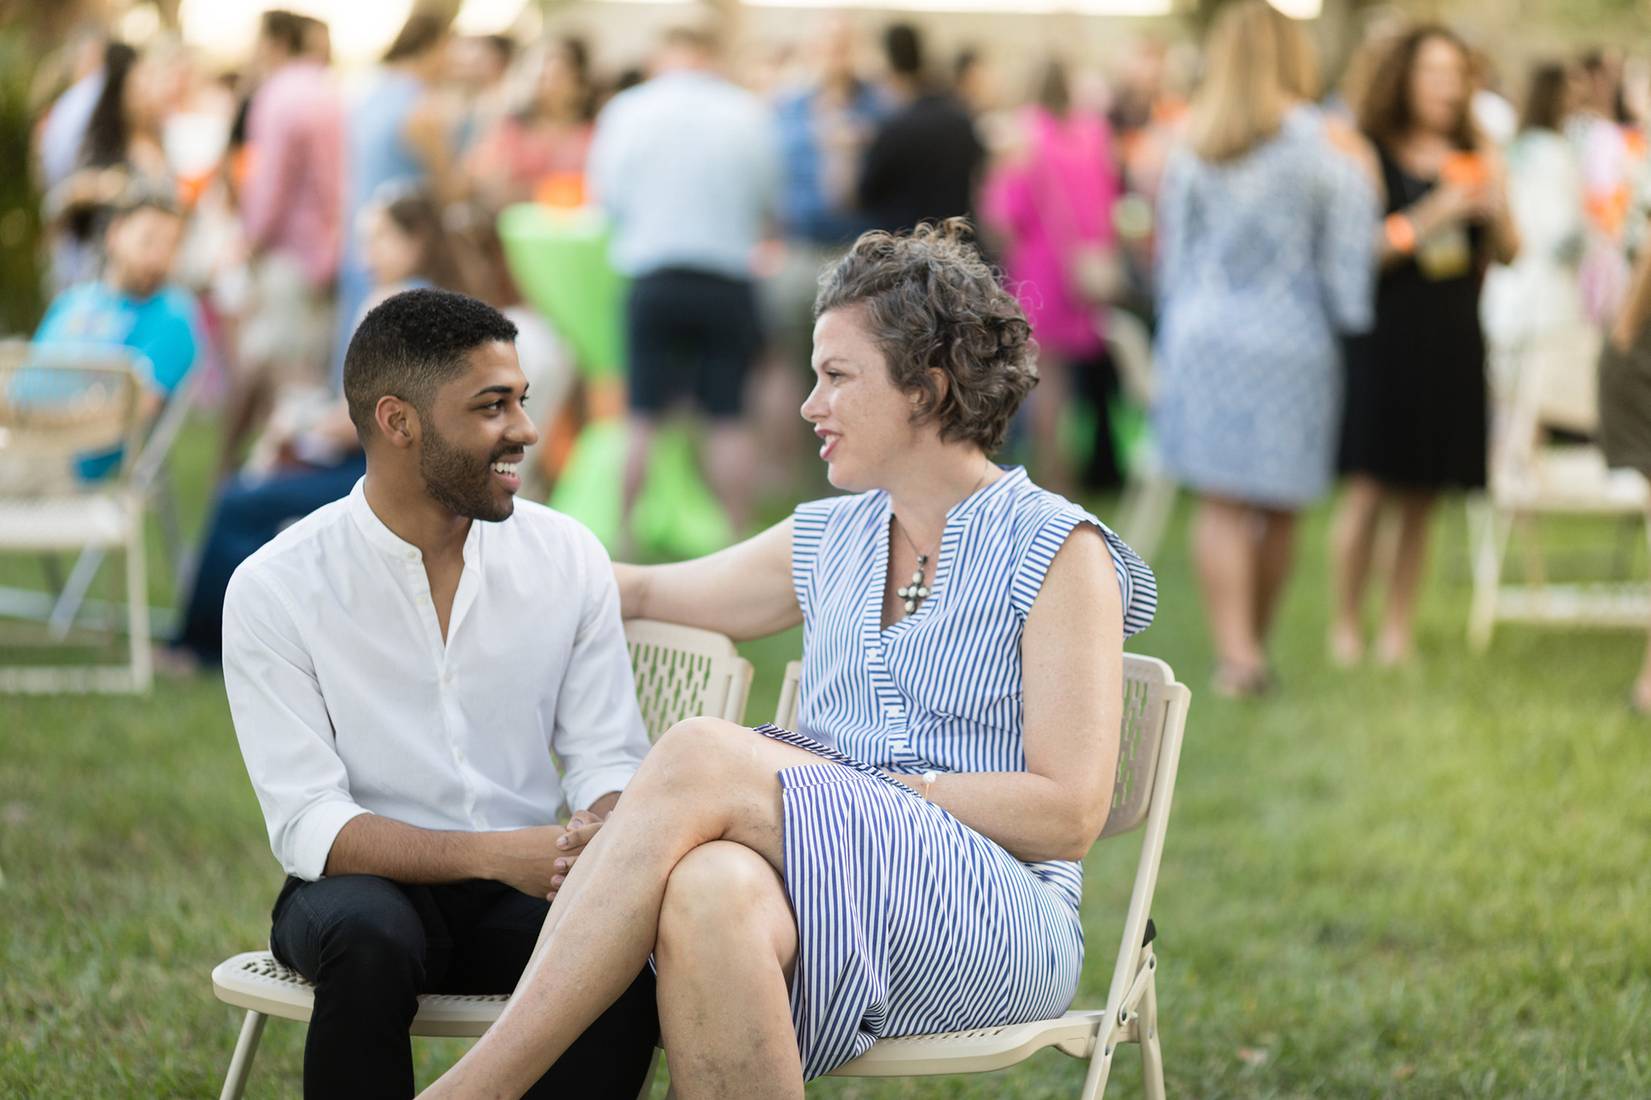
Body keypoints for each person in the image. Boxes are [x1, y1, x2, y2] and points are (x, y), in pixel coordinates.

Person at [420, 220, 1156, 1099]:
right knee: (707, 889)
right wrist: (471, 544)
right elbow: (647, 591)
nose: (809, 405)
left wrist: (849, 791)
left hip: (994, 919)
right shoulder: (832, 537)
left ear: (924, 390)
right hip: (835, 895)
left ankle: (477, 1089)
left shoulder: (1056, 549)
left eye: (836, 378)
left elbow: (1069, 812)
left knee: (701, 752)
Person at [219, 288, 659, 1097]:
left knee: (626, 953)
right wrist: (495, 854)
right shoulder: (275, 587)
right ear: (398, 421)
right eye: (493, 407)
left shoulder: (567, 556)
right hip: (357, 894)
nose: (525, 429)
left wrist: (602, 820)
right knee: (368, 935)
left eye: (521, 400)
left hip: (524, 888)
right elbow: (310, 822)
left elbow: (606, 753)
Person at [1151, 2, 1376, 696]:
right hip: (1292, 340)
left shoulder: (1191, 140)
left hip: (1204, 333)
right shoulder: (1328, 147)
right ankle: (1254, 645)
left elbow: (1173, 259)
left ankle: (1235, 654)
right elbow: (1346, 270)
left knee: (1220, 503)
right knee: (1278, 502)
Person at [1332, 24, 1519, 667]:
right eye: (1433, 71)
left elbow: (1512, 251)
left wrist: (1495, 208)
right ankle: (1347, 625)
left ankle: (1397, 632)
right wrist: (1438, 210)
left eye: (1455, 73)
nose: (1446, 85)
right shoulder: (1369, 150)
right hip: (1388, 335)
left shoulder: (1480, 149)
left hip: (1453, 335)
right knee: (1368, 488)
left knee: (1423, 493)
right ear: (1404, 78)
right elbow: (1366, 253)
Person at [588, 25, 779, 541]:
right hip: (725, 275)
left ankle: (623, 536)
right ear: (710, 55)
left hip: (654, 273)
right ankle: (736, 534)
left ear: (662, 56)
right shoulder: (747, 112)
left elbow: (606, 196)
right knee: (728, 414)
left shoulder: (628, 110)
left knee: (641, 415)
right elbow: (768, 198)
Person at [983, 57, 1126, 495]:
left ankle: (1051, 474)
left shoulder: (1025, 138)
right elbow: (1111, 198)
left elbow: (1004, 213)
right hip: (1084, 267)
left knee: (1046, 379)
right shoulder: (1094, 135)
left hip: (1040, 269)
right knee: (1075, 377)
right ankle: (1073, 469)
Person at [221, 8, 343, 474]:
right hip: (325, 255)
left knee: (281, 380)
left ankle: (261, 483)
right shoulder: (329, 93)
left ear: (274, 42)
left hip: (289, 254)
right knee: (301, 375)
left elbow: (268, 187)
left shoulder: (278, 95)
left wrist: (249, 243)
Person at [32, 187, 199, 481]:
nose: (158, 257)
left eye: (171, 246)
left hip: (67, 463)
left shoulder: (173, 318)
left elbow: (130, 412)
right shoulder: (72, 301)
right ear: (115, 234)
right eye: (148, 240)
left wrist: (42, 427)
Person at [330, 10, 458, 385]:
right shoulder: (423, 109)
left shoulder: (369, 95)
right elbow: (448, 187)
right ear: (435, 46)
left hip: (361, 241)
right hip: (404, 249)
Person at [1481, 63, 1587, 366]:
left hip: (1511, 288)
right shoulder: (1553, 153)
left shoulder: (1518, 146)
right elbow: (1562, 231)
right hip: (1540, 291)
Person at [858, 23, 984, 234]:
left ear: (890, 66)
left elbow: (865, 196)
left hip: (905, 251)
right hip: (954, 248)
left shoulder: (893, 129)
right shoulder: (959, 119)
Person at [464, 36, 594, 209]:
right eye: (542, 79)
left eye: (558, 78)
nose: (549, 87)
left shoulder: (594, 132)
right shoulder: (511, 129)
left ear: (579, 85)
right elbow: (485, 178)